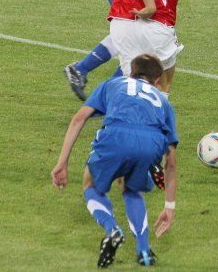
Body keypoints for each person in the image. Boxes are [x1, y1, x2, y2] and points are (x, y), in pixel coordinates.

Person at [51, 54, 179, 268]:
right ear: (157, 81)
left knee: (91, 183)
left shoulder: (113, 83)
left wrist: (62, 162)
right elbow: (172, 162)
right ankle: (144, 251)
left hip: (116, 135)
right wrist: (169, 206)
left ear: (130, 71)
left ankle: (112, 229)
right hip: (151, 142)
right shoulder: (163, 103)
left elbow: (79, 119)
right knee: (130, 188)